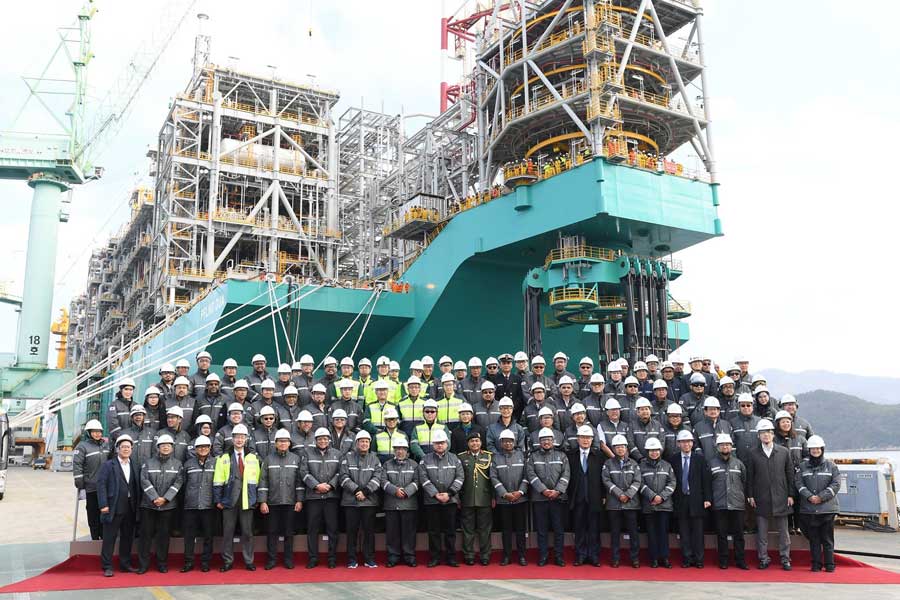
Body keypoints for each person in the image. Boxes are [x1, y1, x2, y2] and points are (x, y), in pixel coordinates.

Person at [746, 419, 795, 571]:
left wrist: (790, 494)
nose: (766, 435)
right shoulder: (753, 453)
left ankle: (785, 558)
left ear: (773, 434)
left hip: (781, 496)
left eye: (768, 432)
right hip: (761, 497)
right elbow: (750, 476)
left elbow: (790, 475)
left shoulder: (784, 452)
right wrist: (750, 495)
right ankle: (763, 558)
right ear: (758, 436)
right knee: (762, 533)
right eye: (762, 433)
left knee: (784, 533)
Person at [214, 423, 262, 572]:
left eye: (242, 437)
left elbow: (258, 480)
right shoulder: (223, 458)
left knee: (247, 532)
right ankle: (228, 561)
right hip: (229, 500)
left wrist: (257, 499)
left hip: (247, 499)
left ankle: (249, 561)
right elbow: (217, 480)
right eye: (237, 437)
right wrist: (218, 500)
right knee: (228, 532)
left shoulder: (253, 458)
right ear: (232, 439)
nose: (240, 440)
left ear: (246, 439)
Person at [138, 434, 184, 574]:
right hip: (148, 506)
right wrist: (155, 498)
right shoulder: (148, 463)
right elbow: (144, 481)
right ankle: (143, 564)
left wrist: (165, 498)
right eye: (162, 445)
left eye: (168, 445)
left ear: (172, 447)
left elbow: (178, 482)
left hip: (167, 506)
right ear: (158, 447)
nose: (165, 447)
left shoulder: (177, 464)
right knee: (145, 536)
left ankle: (162, 563)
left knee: (163, 536)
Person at [259, 429, 304, 570]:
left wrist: (299, 500)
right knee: (271, 532)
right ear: (275, 443)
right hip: (272, 503)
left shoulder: (296, 459)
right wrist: (263, 501)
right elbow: (263, 481)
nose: (283, 443)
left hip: (290, 502)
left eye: (285, 441)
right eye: (280, 441)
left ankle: (288, 560)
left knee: (288, 532)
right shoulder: (268, 459)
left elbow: (299, 482)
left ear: (290, 443)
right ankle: (271, 560)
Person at [418, 428, 464, 567]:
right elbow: (423, 479)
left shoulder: (455, 459)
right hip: (432, 501)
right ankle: (435, 557)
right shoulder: (425, 460)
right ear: (433, 444)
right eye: (437, 443)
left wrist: (449, 493)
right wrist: (435, 494)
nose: (439, 445)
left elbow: (460, 477)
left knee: (450, 531)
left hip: (450, 500)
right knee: (434, 531)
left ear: (447, 443)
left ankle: (451, 558)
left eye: (442, 443)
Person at [96, 434, 141, 577]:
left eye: (128, 447)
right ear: (118, 449)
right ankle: (107, 566)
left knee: (127, 538)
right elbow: (101, 484)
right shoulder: (109, 465)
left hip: (130, 508)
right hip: (113, 507)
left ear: (132, 449)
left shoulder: (135, 464)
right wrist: (103, 504)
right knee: (109, 538)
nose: (126, 449)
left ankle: (125, 564)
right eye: (123, 447)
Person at [796, 435, 841, 572]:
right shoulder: (802, 467)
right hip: (809, 509)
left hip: (827, 509)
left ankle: (829, 565)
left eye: (817, 448)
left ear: (822, 449)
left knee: (827, 539)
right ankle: (816, 564)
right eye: (812, 448)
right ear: (809, 450)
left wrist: (821, 497)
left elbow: (836, 484)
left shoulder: (831, 466)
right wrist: (809, 497)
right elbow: (799, 483)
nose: (815, 451)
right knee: (814, 539)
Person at [527, 427, 570, 567]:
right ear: (539, 441)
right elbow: (531, 475)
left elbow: (566, 475)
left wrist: (557, 491)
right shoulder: (533, 456)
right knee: (542, 530)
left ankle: (558, 556)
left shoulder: (562, 455)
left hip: (558, 499)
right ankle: (543, 556)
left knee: (558, 529)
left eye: (549, 439)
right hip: (540, 499)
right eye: (543, 440)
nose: (546, 442)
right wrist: (543, 490)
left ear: (554, 441)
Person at [340, 430, 383, 569]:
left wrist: (365, 491)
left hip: (369, 501)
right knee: (351, 532)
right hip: (350, 501)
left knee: (369, 532)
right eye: (361, 441)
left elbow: (378, 478)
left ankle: (369, 558)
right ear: (356, 443)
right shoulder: (348, 457)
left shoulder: (375, 459)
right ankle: (351, 559)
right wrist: (357, 490)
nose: (364, 444)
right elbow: (343, 477)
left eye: (366, 441)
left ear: (370, 444)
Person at [300, 427, 342, 569]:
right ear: (315, 440)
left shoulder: (337, 454)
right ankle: (313, 558)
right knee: (312, 529)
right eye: (320, 439)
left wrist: (330, 485)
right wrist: (317, 486)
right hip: (314, 497)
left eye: (325, 438)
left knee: (332, 528)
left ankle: (332, 558)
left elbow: (340, 473)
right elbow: (304, 473)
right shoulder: (307, 453)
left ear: (329, 440)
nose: (323, 441)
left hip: (331, 497)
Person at [708, 433, 749, 570]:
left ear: (731, 446)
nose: (725, 446)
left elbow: (744, 482)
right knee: (721, 534)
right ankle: (723, 560)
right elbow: (708, 484)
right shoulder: (711, 464)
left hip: (737, 504)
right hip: (719, 505)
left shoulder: (739, 464)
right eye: (722, 445)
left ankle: (740, 560)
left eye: (727, 444)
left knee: (739, 535)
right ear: (717, 447)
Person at [671, 430, 711, 568]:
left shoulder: (700, 459)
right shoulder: (673, 459)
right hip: (680, 500)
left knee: (698, 532)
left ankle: (699, 559)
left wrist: (707, 498)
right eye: (683, 442)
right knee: (684, 532)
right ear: (678, 444)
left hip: (697, 500)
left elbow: (706, 480)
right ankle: (687, 558)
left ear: (693, 443)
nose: (686, 444)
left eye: (689, 442)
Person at [567, 424, 605, 567]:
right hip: (577, 498)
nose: (585, 440)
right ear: (577, 439)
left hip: (594, 498)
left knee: (594, 528)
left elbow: (603, 479)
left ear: (592, 439)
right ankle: (581, 555)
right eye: (582, 437)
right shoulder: (571, 456)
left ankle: (594, 556)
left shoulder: (599, 456)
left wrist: (603, 495)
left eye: (588, 437)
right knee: (579, 528)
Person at [602, 434, 641, 568]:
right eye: (617, 447)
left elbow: (637, 481)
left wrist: (628, 495)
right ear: (613, 448)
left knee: (633, 534)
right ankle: (615, 558)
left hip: (631, 504)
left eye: (622, 446)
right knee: (615, 533)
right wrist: (619, 494)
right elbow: (606, 480)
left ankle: (635, 559)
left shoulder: (634, 463)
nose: (620, 449)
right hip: (614, 504)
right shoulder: (608, 464)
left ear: (626, 448)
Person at [490, 429, 529, 566]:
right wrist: (505, 493)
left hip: (520, 499)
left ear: (514, 442)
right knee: (506, 530)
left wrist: (520, 492)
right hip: (504, 500)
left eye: (510, 441)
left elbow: (527, 476)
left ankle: (522, 556)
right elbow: (493, 478)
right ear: (501, 443)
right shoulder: (495, 458)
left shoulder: (522, 456)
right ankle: (506, 556)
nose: (508, 443)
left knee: (520, 529)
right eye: (505, 441)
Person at [382, 436, 419, 568]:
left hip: (409, 504)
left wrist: (407, 491)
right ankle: (393, 556)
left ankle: (409, 556)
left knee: (409, 532)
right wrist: (395, 490)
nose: (400, 451)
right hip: (391, 504)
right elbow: (383, 481)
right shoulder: (387, 465)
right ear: (394, 450)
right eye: (397, 449)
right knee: (392, 532)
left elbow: (417, 481)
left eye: (403, 449)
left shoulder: (414, 465)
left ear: (407, 451)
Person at [181, 435, 216, 572]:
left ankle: (206, 562)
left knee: (208, 536)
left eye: (205, 447)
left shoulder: (216, 463)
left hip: (208, 506)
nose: (203, 449)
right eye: (200, 447)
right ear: (195, 449)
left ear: (210, 448)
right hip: (191, 505)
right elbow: (183, 484)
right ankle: (189, 562)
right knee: (189, 536)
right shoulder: (188, 464)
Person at [639, 437, 676, 568]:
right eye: (651, 450)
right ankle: (653, 558)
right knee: (651, 533)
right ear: (647, 451)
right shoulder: (641, 466)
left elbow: (672, 483)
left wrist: (662, 497)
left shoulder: (667, 465)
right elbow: (640, 484)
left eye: (656, 450)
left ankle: (664, 558)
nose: (654, 452)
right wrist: (653, 496)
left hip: (664, 506)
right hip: (649, 506)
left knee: (663, 533)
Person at [458, 431, 493, 565]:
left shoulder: (489, 457)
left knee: (485, 530)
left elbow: (492, 479)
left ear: (481, 443)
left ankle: (485, 555)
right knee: (468, 530)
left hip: (485, 498)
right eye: (472, 441)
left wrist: (493, 497)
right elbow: (459, 479)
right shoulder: (461, 458)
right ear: (468, 443)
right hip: (467, 498)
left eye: (477, 441)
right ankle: (469, 555)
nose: (474, 443)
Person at [73, 419, 109, 541]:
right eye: (94, 432)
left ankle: (104, 537)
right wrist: (80, 483)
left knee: (104, 513)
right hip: (91, 486)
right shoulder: (82, 446)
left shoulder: (106, 445)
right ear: (89, 432)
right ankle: (95, 538)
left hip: (105, 487)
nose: (97, 434)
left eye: (99, 431)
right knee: (93, 514)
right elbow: (77, 465)